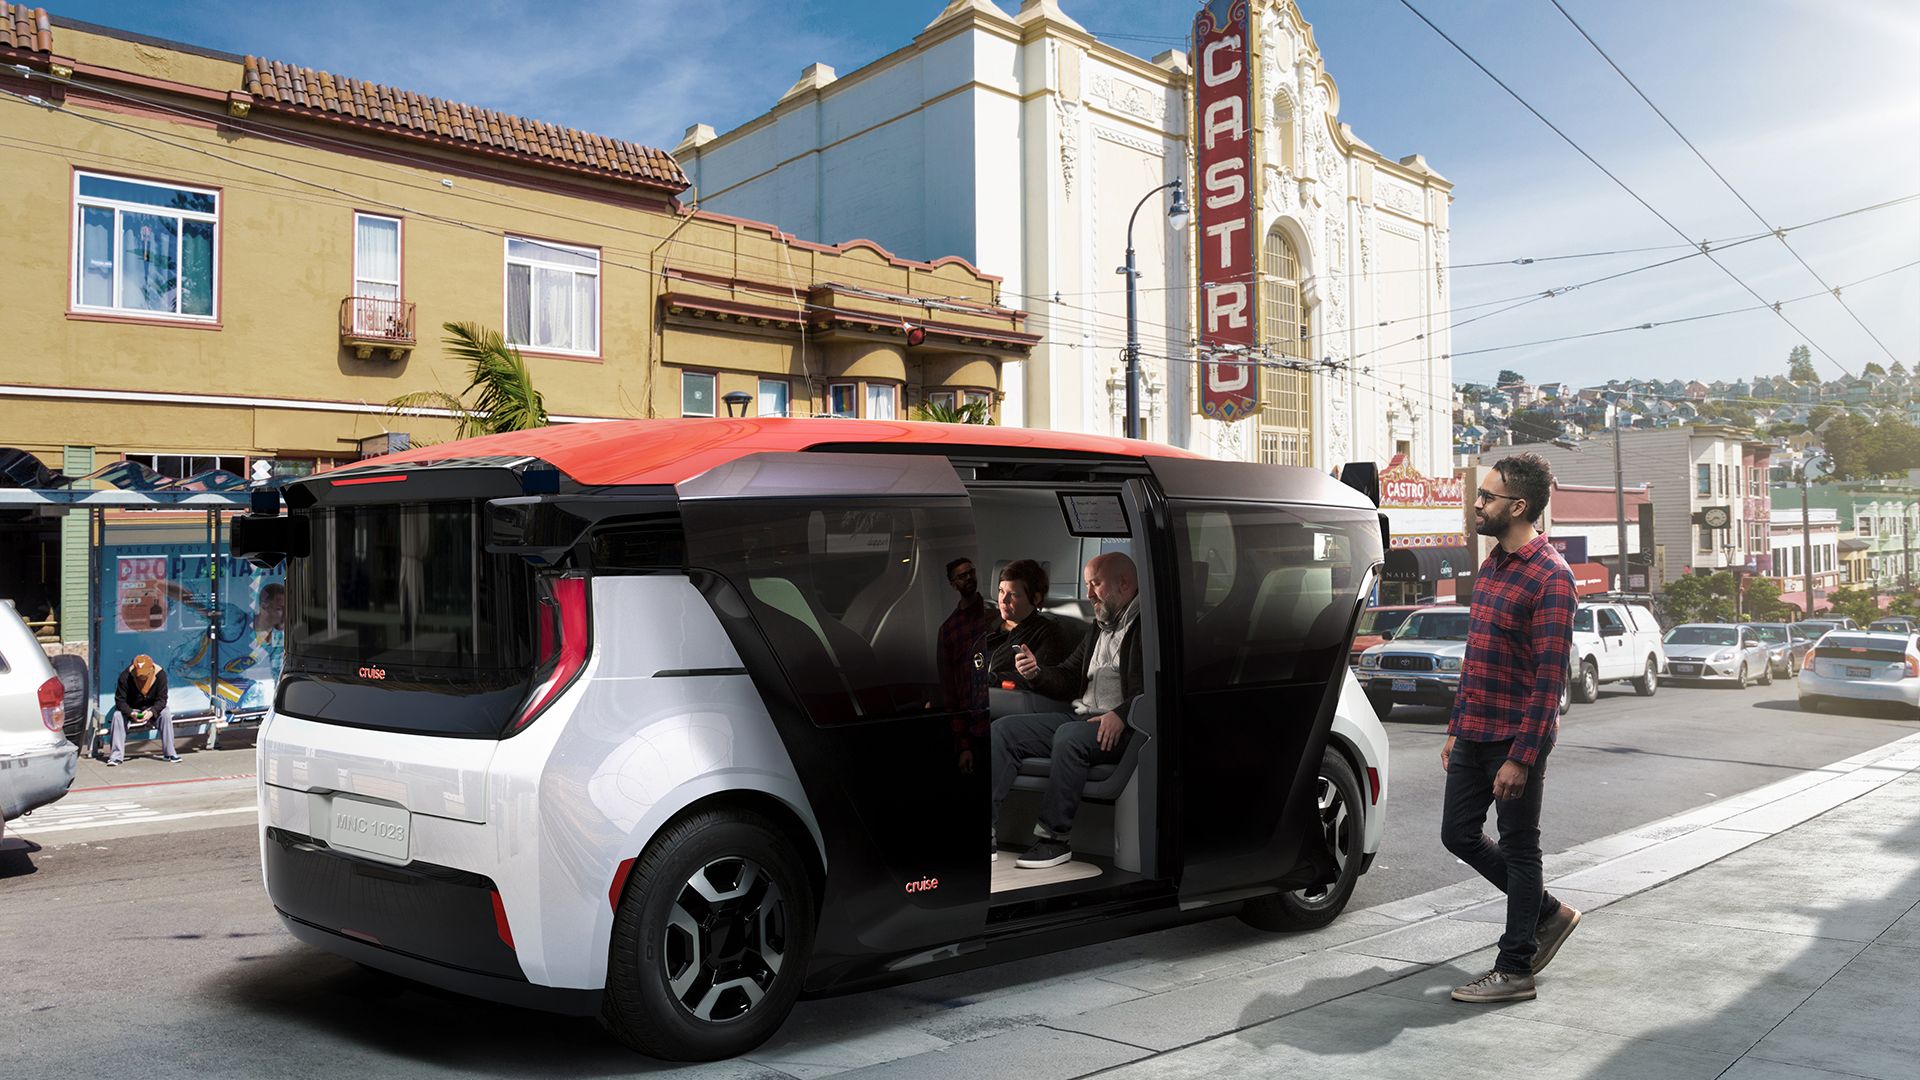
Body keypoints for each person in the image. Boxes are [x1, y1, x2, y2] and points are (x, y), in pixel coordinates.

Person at [1442, 453, 1581, 1004]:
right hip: (1475, 728)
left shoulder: (1552, 576)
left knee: (1522, 847)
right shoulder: (1493, 565)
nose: (1476, 504)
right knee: (1458, 834)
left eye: (1487, 497)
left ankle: (1515, 966)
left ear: (1517, 506)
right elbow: (1477, 656)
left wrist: (1522, 757)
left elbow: (1549, 681)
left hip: (1515, 737)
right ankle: (1546, 912)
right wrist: (1456, 726)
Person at [991, 552, 1142, 869]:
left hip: (1123, 727)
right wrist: (1036, 673)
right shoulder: (1099, 628)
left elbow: (1160, 686)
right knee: (1004, 730)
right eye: (1087, 585)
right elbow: (1068, 676)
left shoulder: (1147, 628)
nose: (1088, 594)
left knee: (1069, 735)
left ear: (1124, 583)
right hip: (1082, 717)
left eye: (1095, 584)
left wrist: (1122, 714)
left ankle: (1054, 840)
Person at [938, 557, 995, 776]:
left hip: (997, 713)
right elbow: (950, 690)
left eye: (971, 572)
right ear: (953, 584)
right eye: (962, 576)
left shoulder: (994, 613)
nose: (969, 578)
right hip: (973, 725)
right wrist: (963, 745)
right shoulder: (949, 630)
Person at [981, 559, 1075, 688]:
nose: (1003, 600)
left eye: (1013, 594)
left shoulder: (1048, 633)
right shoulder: (985, 624)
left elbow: (1038, 679)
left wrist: (989, 679)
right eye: (1001, 591)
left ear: (1036, 598)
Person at [109, 653, 177, 765]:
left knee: (165, 712)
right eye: (138, 674)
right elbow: (120, 701)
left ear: (151, 669)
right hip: (132, 709)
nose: (141, 677)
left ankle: (170, 753)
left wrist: (152, 712)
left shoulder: (160, 675)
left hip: (151, 708)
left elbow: (162, 700)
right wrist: (131, 713)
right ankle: (116, 757)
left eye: (144, 675)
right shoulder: (125, 676)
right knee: (117, 715)